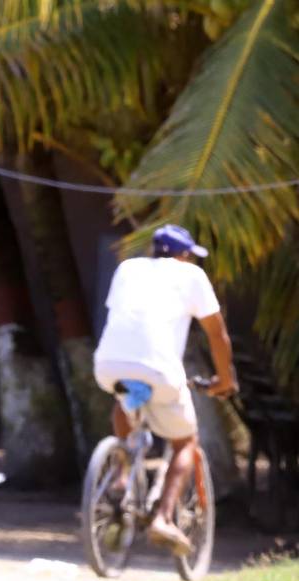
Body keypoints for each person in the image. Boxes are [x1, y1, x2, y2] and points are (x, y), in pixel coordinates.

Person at [93, 224, 237, 555]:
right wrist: (225, 380)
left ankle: (121, 469)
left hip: (109, 363)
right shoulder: (191, 276)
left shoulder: (128, 268)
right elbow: (218, 335)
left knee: (124, 400)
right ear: (184, 255)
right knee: (185, 441)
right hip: (158, 368)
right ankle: (163, 518)